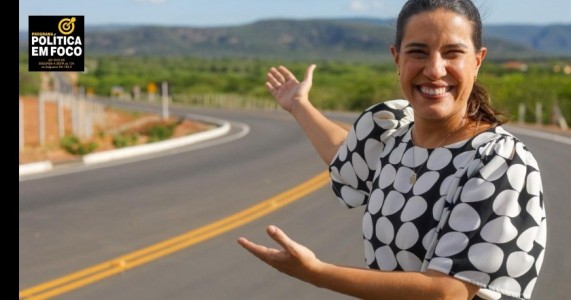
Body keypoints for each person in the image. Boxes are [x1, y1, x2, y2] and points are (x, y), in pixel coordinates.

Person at [237, 0, 546, 299]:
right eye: (418, 52)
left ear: (477, 61)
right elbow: (343, 153)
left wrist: (317, 272)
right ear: (397, 58)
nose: (435, 69)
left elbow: (448, 292)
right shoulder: (391, 132)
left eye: (452, 53)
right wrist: (298, 105)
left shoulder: (500, 161)